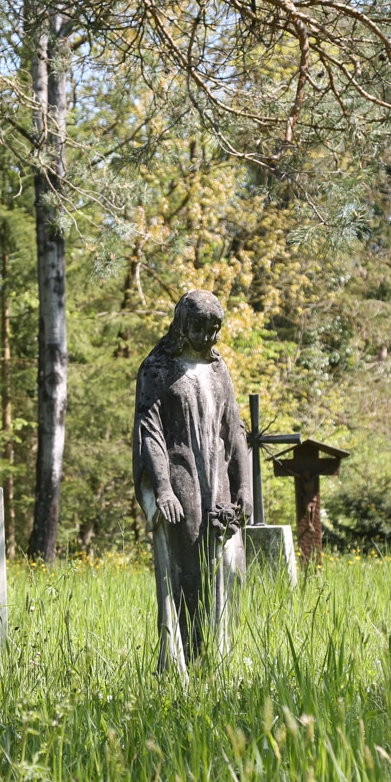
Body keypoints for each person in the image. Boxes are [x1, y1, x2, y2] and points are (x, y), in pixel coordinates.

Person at [133, 290, 250, 676]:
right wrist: (162, 487)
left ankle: (216, 659)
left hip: (216, 479)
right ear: (183, 324)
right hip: (181, 476)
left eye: (214, 329)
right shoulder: (157, 369)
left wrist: (243, 489)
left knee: (220, 569)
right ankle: (184, 662)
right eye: (199, 328)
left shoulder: (218, 370)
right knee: (187, 571)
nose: (206, 337)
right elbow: (150, 431)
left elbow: (234, 432)